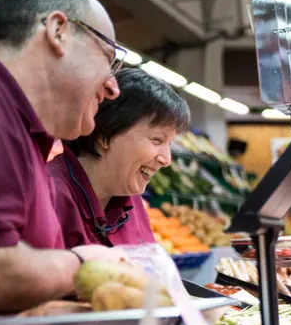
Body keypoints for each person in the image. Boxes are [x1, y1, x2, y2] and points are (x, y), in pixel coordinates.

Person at [0, 0, 126, 314]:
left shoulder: (22, 133)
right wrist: (82, 263)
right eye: (109, 58)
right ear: (58, 31)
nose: (113, 88)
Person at [48, 68, 190, 247]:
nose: (166, 159)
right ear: (107, 135)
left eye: (169, 144)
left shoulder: (129, 197)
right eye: (157, 140)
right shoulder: (47, 196)